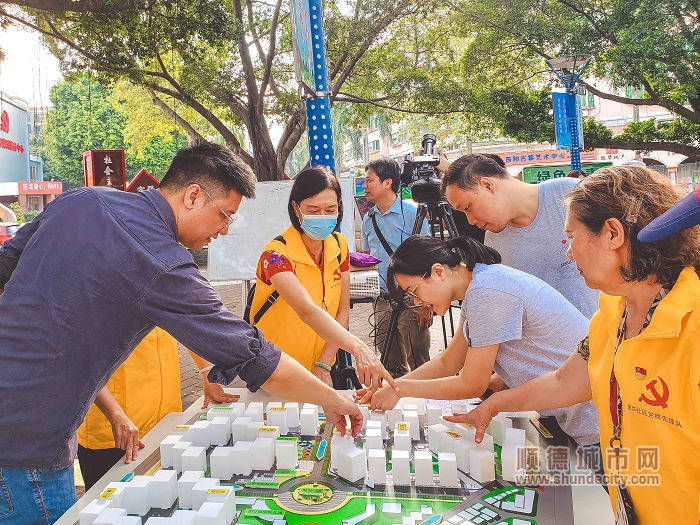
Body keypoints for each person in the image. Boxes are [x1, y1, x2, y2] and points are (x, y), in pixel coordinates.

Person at [0, 143, 369, 524]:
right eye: (225, 215)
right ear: (194, 195)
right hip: (27, 447)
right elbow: (253, 353)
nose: (224, 231)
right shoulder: (161, 262)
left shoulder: (81, 200)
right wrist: (332, 399)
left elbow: (6, 265)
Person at [450, 166, 700, 525]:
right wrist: (494, 406)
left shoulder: (693, 323)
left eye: (571, 237)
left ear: (613, 233)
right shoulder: (612, 312)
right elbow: (566, 382)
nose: (568, 254)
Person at [357, 234, 600, 449]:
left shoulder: (486, 291)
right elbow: (447, 363)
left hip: (594, 419)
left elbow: (471, 384)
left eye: (414, 292)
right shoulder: (480, 285)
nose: (418, 303)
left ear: (438, 272)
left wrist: (400, 390)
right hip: (578, 413)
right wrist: (392, 386)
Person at [249, 167, 390, 386]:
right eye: (313, 210)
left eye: (330, 209)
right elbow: (306, 310)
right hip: (277, 367)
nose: (322, 217)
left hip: (323, 363)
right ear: (296, 208)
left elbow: (342, 311)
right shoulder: (275, 255)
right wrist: (359, 348)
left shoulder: (339, 245)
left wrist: (324, 362)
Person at [440, 153, 599, 318]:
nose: (470, 220)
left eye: (468, 207)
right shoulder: (494, 244)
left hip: (610, 336)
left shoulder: (571, 194)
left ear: (487, 185)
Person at [77, 328, 237, 489]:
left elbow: (186, 319)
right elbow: (77, 356)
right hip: (115, 432)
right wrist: (115, 415)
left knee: (167, 501)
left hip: (165, 420)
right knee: (112, 508)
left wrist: (207, 372)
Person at [361, 158, 432, 378]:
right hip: (382, 298)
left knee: (419, 360)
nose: (364, 186)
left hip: (412, 297)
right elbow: (367, 258)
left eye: (369, 180)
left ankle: (427, 401)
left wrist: (425, 302)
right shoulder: (368, 218)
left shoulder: (412, 214)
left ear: (387, 182)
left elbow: (429, 258)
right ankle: (398, 401)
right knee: (388, 359)